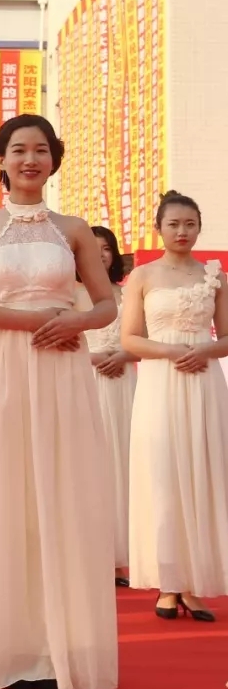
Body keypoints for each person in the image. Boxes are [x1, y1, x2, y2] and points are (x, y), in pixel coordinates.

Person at [0, 114, 118, 689]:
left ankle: (57, 644)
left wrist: (76, 323)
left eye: (41, 150)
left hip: (62, 366)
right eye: (19, 150)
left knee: (61, 494)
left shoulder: (75, 229)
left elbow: (107, 304)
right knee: (5, 492)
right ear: (1, 159)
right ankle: (7, 642)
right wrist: (33, 322)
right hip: (4, 367)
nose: (30, 160)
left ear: (54, 160)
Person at [122, 191, 228, 622]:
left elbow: (226, 336)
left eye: (190, 224)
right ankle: (168, 584)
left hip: (204, 382)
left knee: (202, 474)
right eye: (174, 224)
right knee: (163, 476)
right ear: (159, 229)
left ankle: (193, 585)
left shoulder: (215, 276)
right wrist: (171, 352)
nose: (182, 231)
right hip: (160, 382)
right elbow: (130, 338)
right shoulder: (142, 276)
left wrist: (205, 350)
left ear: (199, 227)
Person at [76, 226, 136, 586]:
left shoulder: (127, 294)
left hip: (123, 385)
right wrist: (95, 358)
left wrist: (124, 356)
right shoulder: (68, 294)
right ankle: (86, 556)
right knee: (86, 467)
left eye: (106, 248)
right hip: (82, 383)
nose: (100, 254)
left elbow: (145, 337)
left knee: (121, 466)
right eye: (92, 247)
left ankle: (119, 557)